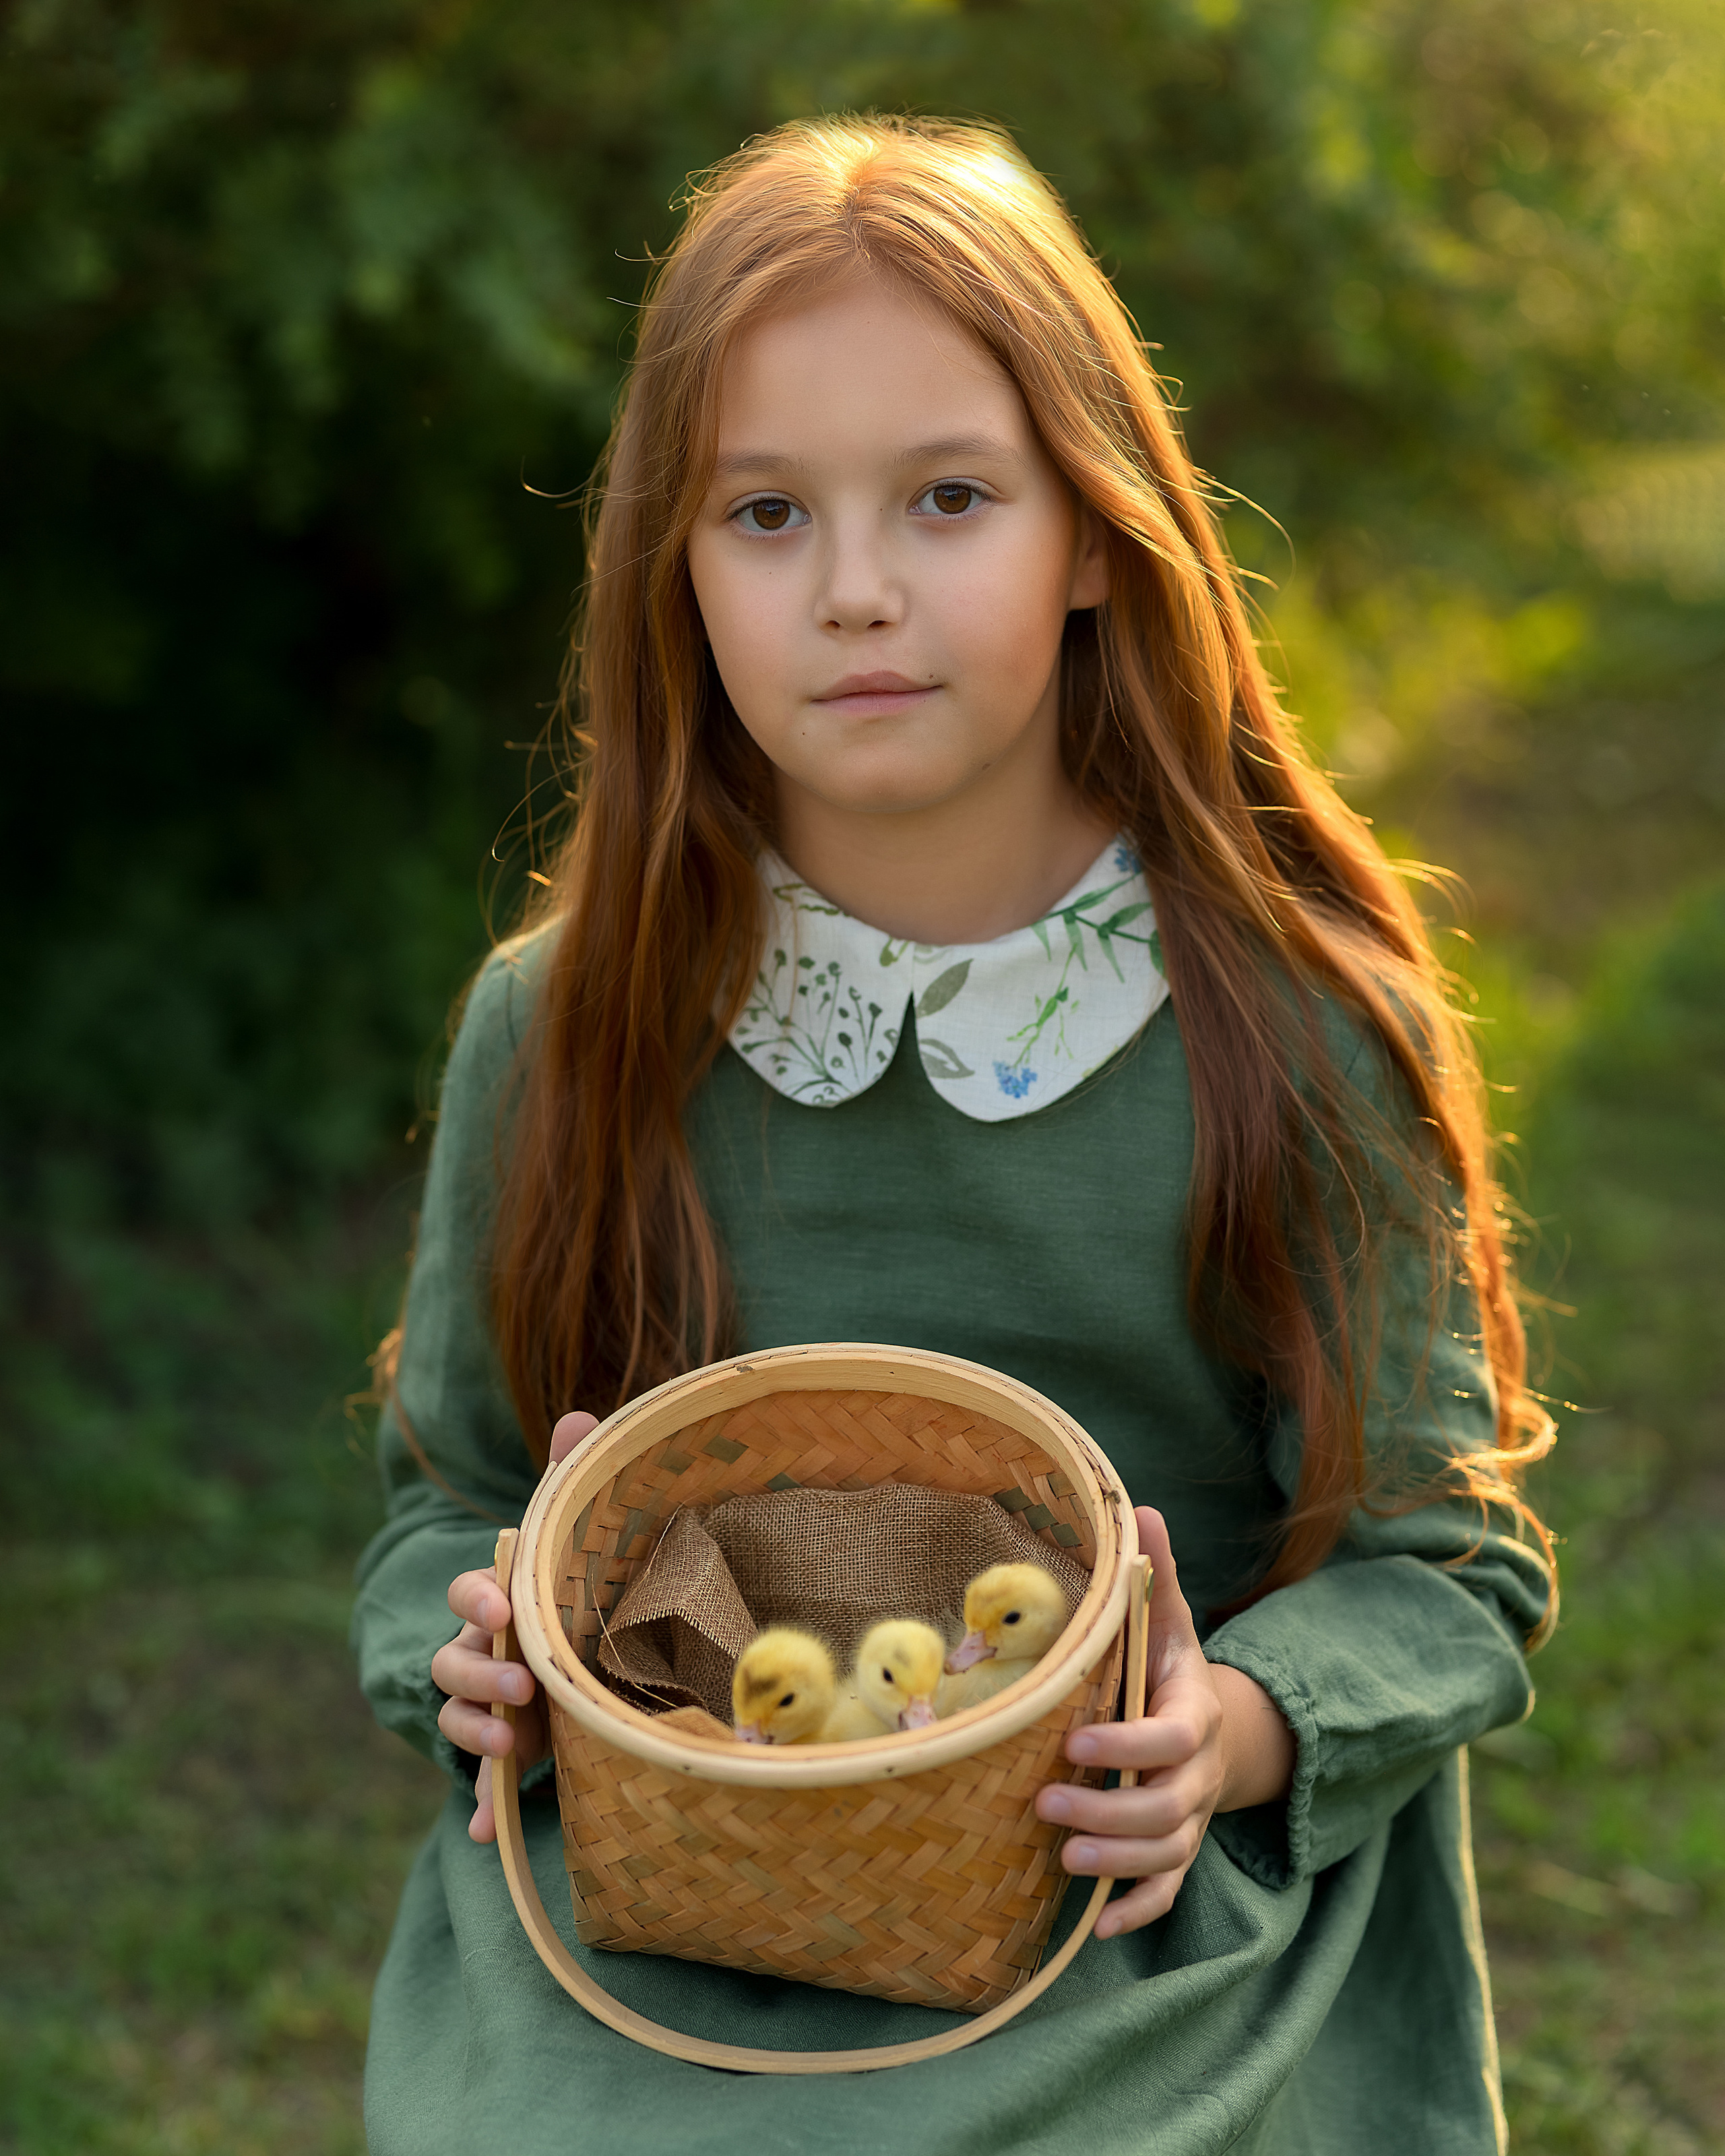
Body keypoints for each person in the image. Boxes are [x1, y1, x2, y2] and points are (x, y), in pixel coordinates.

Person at [351, 114, 1553, 2154]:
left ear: (1092, 530)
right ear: (670, 571)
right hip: (679, 1898)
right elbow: (449, 1504)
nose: (856, 592)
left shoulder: (1294, 1031)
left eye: (949, 497)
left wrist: (1229, 1732)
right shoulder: (560, 1029)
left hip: (1143, 1901)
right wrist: (478, 1654)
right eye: (764, 514)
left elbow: (1440, 1565)